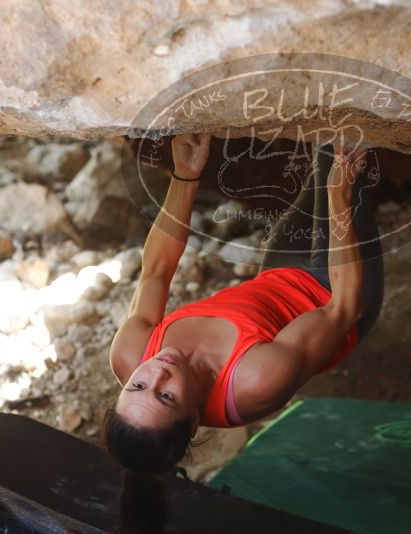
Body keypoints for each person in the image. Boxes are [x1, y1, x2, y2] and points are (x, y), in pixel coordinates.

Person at [103, 133, 384, 532]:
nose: (156, 372)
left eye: (136, 387)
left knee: (323, 153)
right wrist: (341, 195)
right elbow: (343, 307)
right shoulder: (253, 382)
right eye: (165, 396)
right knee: (346, 165)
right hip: (341, 290)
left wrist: (185, 173)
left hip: (279, 272)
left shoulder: (131, 354)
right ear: (194, 418)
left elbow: (157, 270)